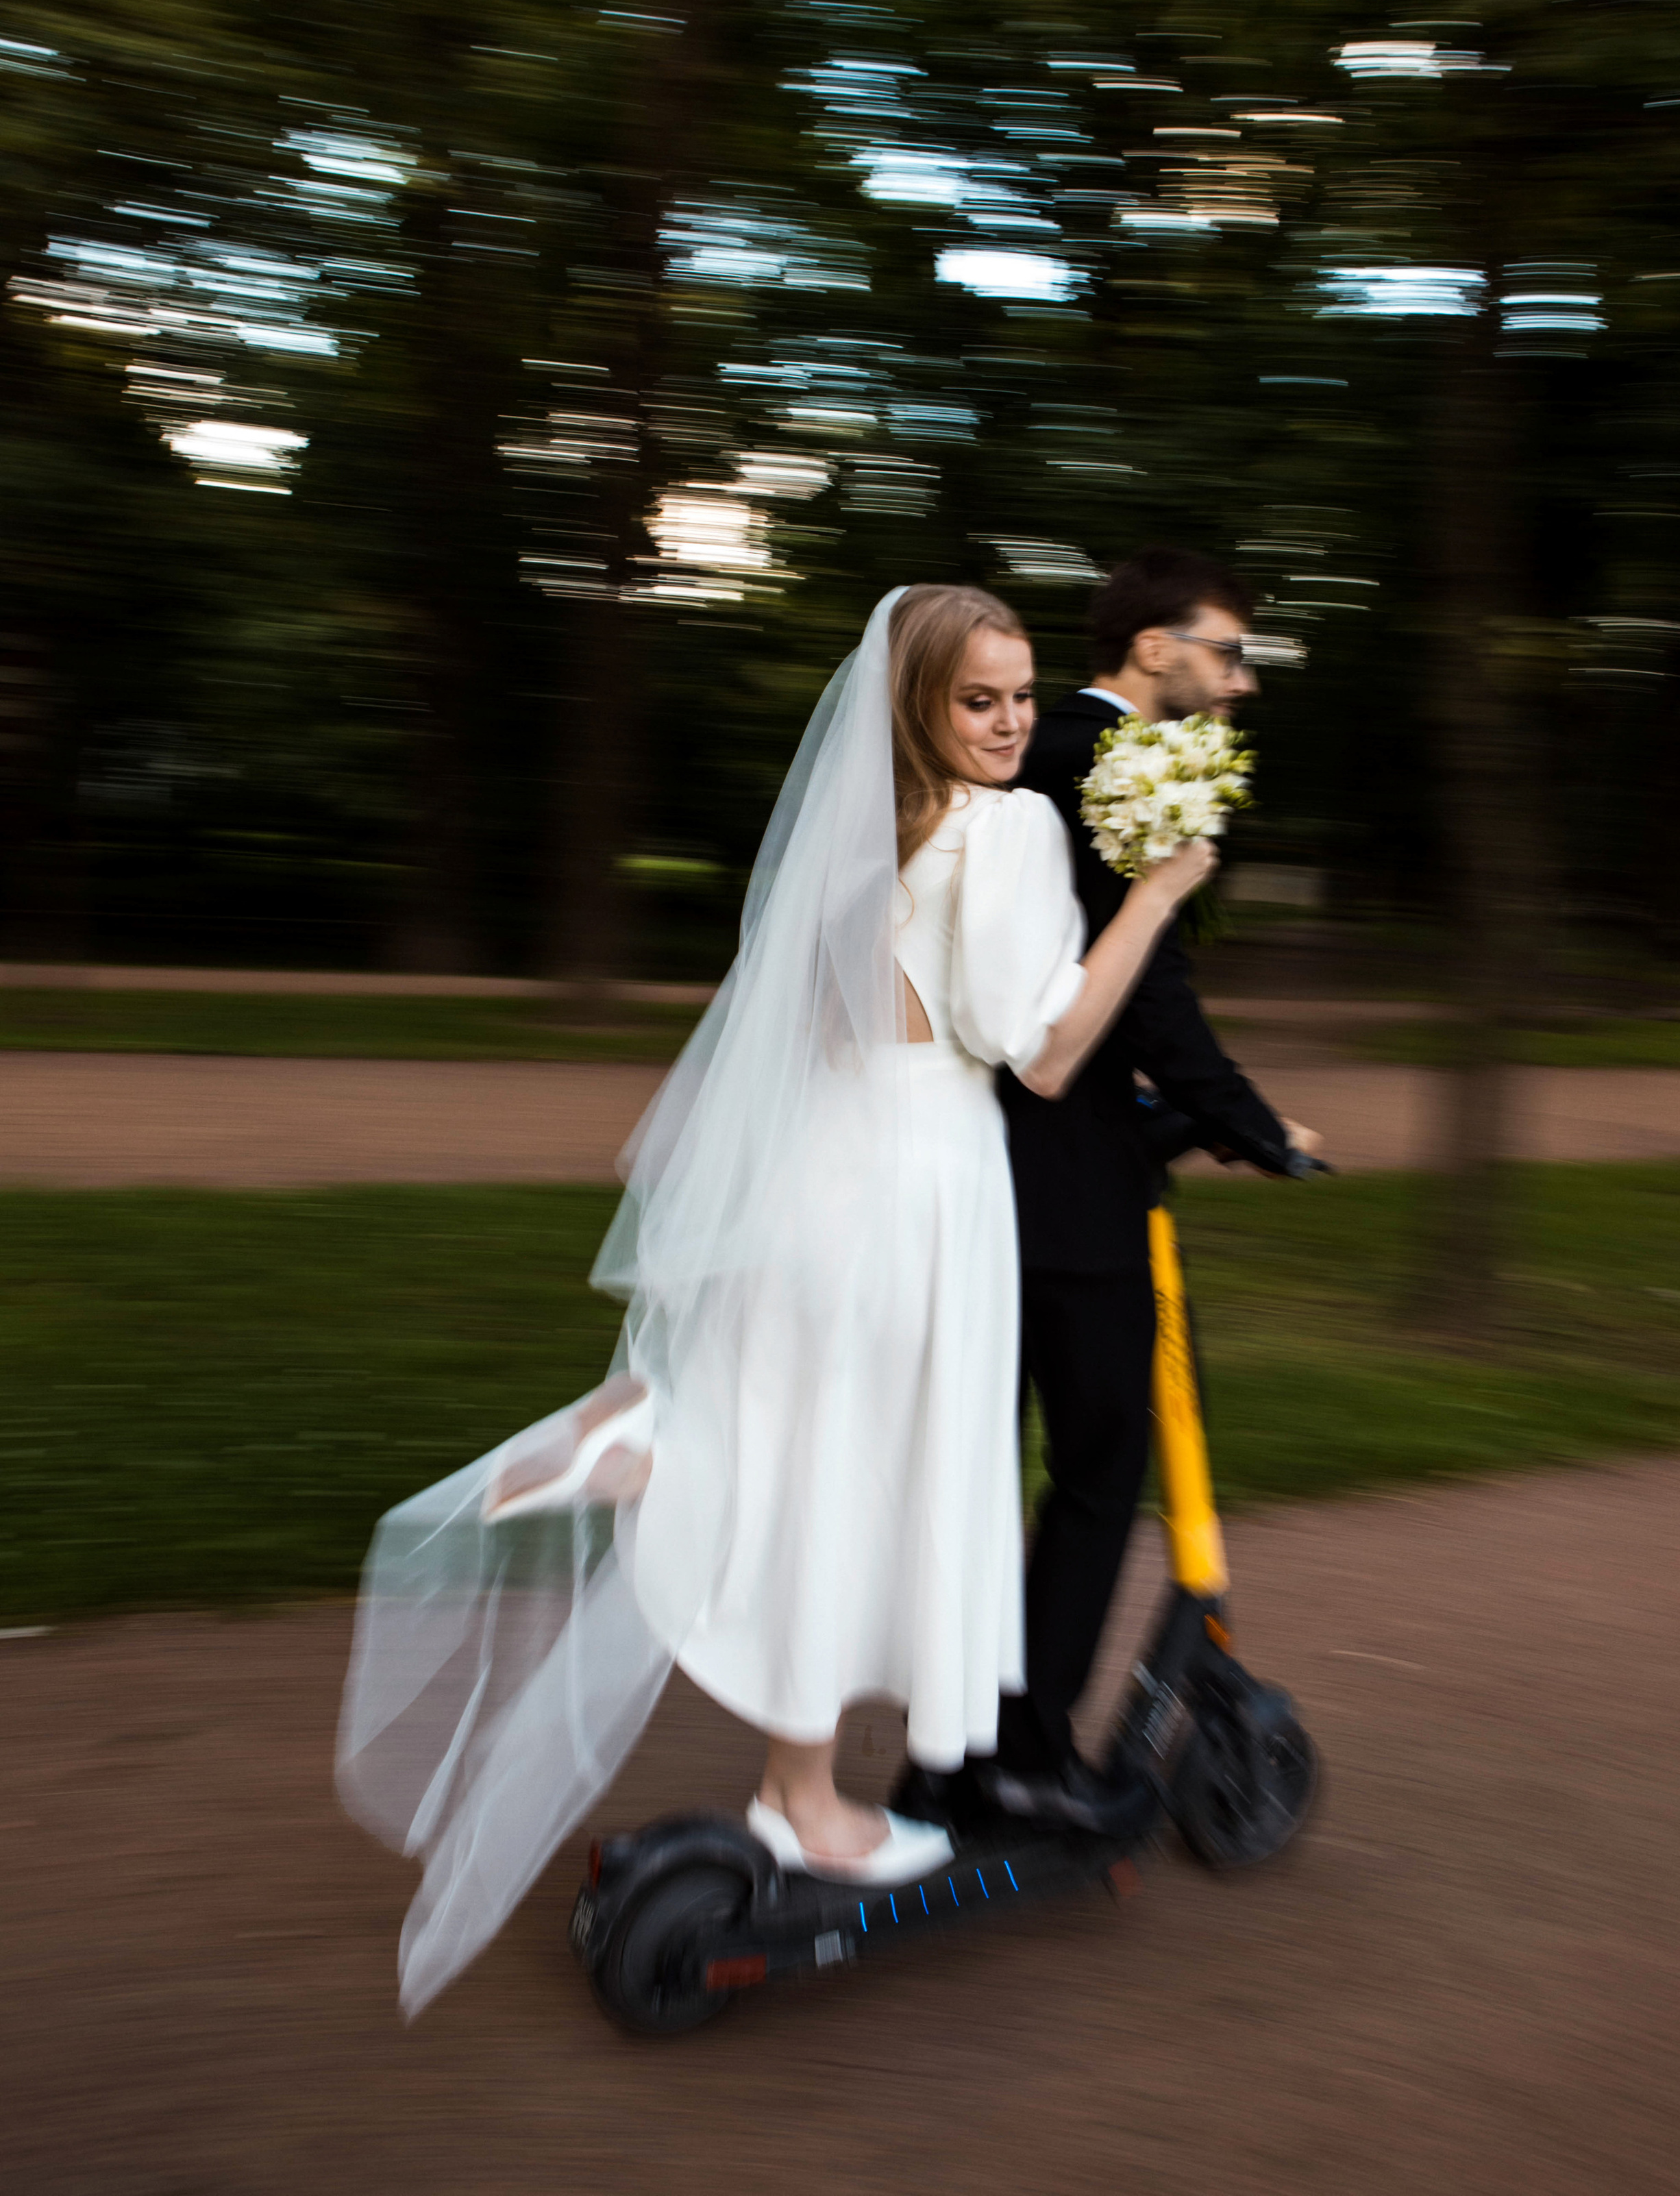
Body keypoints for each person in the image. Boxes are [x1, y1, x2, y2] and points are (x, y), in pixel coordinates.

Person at [336, 583, 1215, 2012]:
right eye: (974, 700)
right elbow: (1043, 1055)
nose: (1005, 727)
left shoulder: (870, 827)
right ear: (919, 704)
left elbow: (816, 1029)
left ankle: (657, 1440)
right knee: (861, 1486)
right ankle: (799, 1797)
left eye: (1017, 697)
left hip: (815, 1176)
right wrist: (1159, 896)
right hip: (923, 1186)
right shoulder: (1010, 831)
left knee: (804, 1453)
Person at [898, 548, 1322, 1840]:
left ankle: (952, 1752)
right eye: (1226, 652)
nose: (1238, 682)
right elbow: (1140, 989)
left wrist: (1192, 1109)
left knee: (986, 1474)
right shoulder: (1104, 759)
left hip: (981, 1167)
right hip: (1064, 1185)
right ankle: (1019, 1755)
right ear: (1153, 650)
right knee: (1094, 1469)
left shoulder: (1036, 753)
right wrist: (1250, 1128)